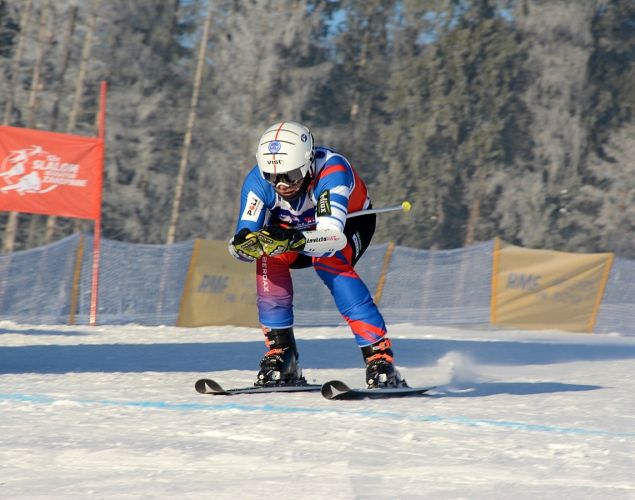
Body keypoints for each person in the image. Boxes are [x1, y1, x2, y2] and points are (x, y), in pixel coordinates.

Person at [228, 121, 407, 389]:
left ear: (309, 162)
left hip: (347, 226)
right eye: (272, 176)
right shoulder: (257, 181)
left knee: (329, 262)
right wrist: (243, 247)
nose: (281, 184)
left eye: (291, 175)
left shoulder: (332, 171)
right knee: (268, 256)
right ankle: (282, 354)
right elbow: (240, 245)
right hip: (295, 230)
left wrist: (292, 239)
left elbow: (332, 238)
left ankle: (379, 357)